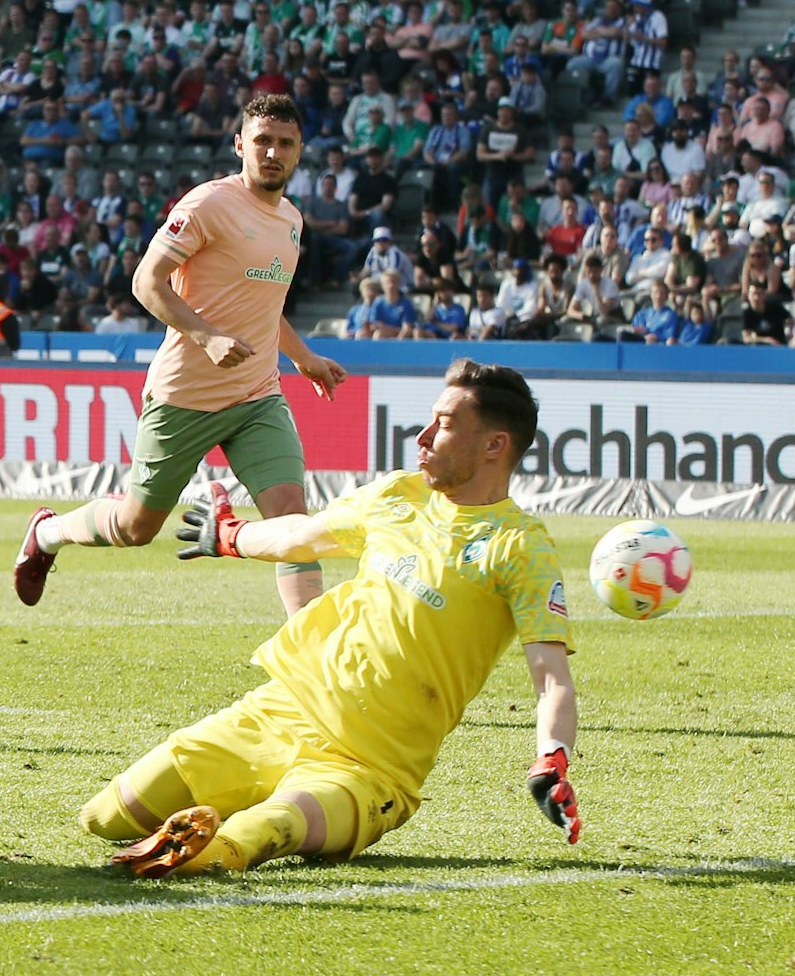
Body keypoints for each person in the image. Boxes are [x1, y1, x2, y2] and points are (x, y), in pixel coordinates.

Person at [85, 359, 580, 876]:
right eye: (431, 419)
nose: (424, 435)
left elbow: (552, 680)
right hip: (278, 713)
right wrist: (231, 536)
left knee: (263, 831)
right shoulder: (396, 496)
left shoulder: (520, 548)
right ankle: (229, 801)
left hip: (368, 768)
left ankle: (223, 833)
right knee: (104, 818)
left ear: (494, 445)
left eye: (446, 424)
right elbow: (299, 536)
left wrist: (552, 758)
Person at [14, 95, 347, 617]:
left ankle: (316, 654)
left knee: (292, 523)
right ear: (240, 145)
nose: (272, 152)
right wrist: (207, 337)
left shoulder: (291, 220)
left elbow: (265, 305)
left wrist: (303, 357)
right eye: (262, 140)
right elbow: (145, 283)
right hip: (185, 395)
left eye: (284, 143)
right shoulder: (207, 204)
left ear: (300, 151)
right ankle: (48, 531)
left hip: (258, 396)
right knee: (135, 527)